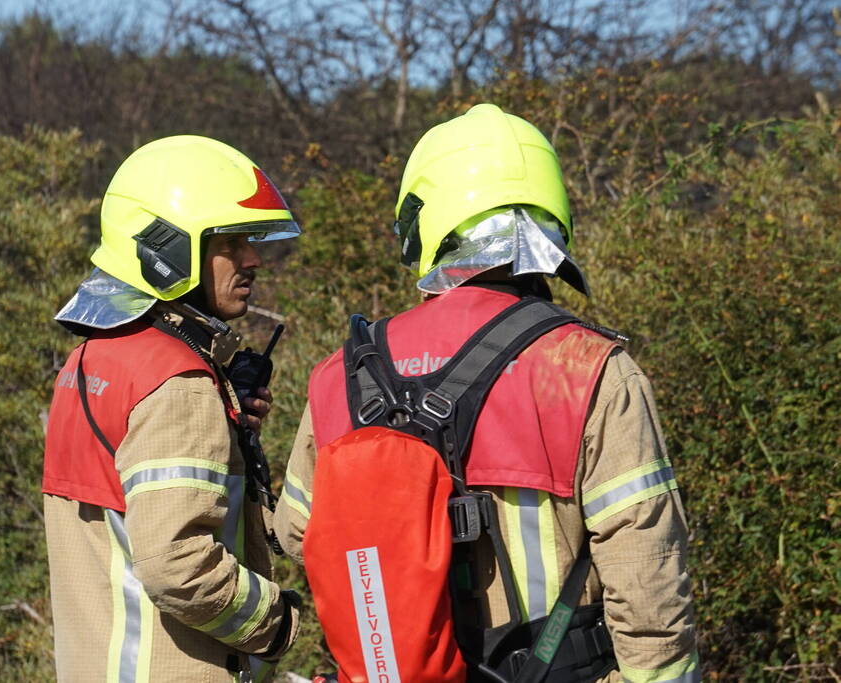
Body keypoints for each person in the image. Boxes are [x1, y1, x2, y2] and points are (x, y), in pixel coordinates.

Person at [274, 104, 700, 682]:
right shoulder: (590, 367)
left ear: (424, 224)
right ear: (552, 218)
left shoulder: (343, 376)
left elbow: (297, 536)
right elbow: (648, 576)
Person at [42, 135, 301, 682]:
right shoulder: (177, 382)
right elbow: (176, 567)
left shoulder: (88, 360)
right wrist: (279, 623)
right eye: (230, 241)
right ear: (168, 248)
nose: (253, 258)